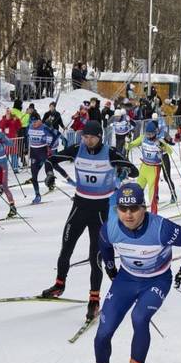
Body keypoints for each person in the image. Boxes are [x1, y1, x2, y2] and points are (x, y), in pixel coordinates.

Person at [73, 183, 181, 363]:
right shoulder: (110, 227)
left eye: (134, 209)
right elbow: (104, 244)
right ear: (117, 209)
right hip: (127, 279)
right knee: (103, 331)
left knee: (139, 318)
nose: (128, 215)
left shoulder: (161, 228)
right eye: (123, 209)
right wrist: (110, 267)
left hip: (157, 279)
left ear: (144, 208)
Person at [41, 121, 139, 321]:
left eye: (91, 137)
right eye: (85, 137)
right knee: (66, 247)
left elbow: (134, 171)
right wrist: (50, 175)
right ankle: (60, 285)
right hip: (79, 206)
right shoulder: (77, 149)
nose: (87, 140)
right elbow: (50, 160)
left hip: (101, 210)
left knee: (95, 257)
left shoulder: (109, 152)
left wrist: (124, 169)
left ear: (99, 137)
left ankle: (94, 300)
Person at [127, 121, 173, 213]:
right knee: (137, 190)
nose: (149, 136)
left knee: (152, 195)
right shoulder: (142, 138)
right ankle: (138, 210)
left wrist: (162, 147)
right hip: (144, 167)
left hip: (154, 169)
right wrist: (127, 142)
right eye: (147, 133)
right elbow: (129, 146)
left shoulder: (159, 141)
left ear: (155, 132)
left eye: (151, 134)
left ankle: (153, 214)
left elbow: (170, 151)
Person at [25, 117, 58, 204]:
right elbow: (26, 136)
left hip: (42, 152)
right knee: (34, 175)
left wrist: (49, 146)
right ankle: (37, 195)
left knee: (48, 167)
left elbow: (55, 135)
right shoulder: (29, 126)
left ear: (40, 121)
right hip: (34, 153)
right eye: (32, 122)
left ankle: (51, 182)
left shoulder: (44, 127)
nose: (34, 124)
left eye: (35, 122)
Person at [0, 109, 22, 173]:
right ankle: (3, 169)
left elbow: (19, 126)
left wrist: (17, 120)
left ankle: (15, 168)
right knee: (4, 156)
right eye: (7, 113)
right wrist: (6, 119)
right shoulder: (3, 119)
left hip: (13, 140)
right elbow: (1, 126)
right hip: (5, 141)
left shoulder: (14, 119)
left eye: (9, 113)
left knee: (14, 155)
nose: (8, 114)